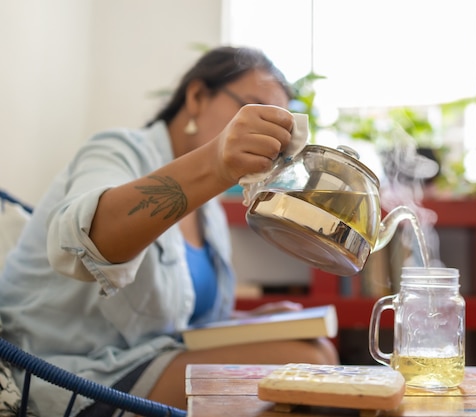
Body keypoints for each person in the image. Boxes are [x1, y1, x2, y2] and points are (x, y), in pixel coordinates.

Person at [0, 46, 338, 416]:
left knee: (313, 350)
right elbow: (84, 240)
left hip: (146, 361)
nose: (272, 141)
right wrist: (215, 162)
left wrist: (251, 322)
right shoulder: (118, 150)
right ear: (196, 97)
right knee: (308, 363)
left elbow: (186, 321)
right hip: (65, 375)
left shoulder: (208, 209)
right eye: (255, 110)